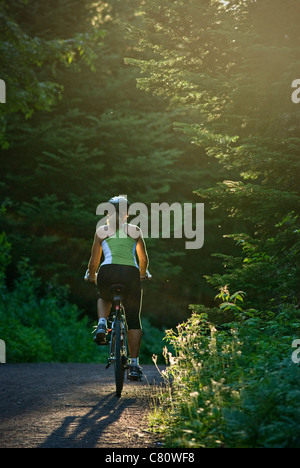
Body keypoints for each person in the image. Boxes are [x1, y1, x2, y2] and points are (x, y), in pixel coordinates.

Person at [86, 196, 149, 380]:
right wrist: (143, 274)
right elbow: (143, 260)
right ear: (127, 213)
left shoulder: (101, 231)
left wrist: (91, 276)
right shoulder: (135, 230)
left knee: (104, 296)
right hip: (130, 274)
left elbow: (94, 262)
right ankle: (135, 365)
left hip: (107, 272)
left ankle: (102, 323)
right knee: (133, 317)